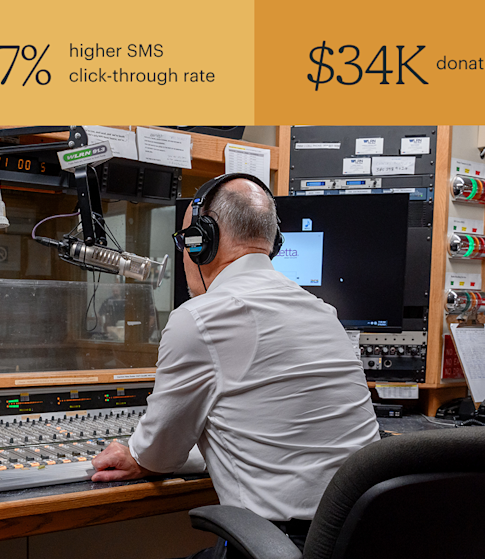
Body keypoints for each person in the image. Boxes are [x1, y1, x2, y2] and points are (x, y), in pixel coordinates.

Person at [90, 174, 379, 551]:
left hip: (278, 543)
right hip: (357, 541)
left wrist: (136, 455)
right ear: (273, 242)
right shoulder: (324, 312)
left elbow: (157, 455)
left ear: (201, 242)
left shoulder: (199, 318)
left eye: (185, 241)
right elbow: (270, 438)